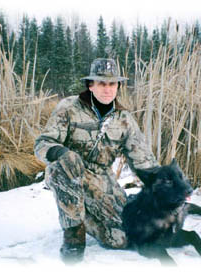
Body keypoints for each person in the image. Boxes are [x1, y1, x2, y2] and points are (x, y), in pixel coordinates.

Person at [34, 58, 159, 264]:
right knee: (60, 169)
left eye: (112, 84)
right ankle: (73, 234)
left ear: (118, 86)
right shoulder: (69, 107)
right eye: (102, 83)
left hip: (102, 178)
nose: (107, 89)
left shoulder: (124, 118)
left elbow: (143, 160)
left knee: (123, 239)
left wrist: (165, 184)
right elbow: (42, 144)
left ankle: (84, 218)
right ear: (91, 85)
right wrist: (61, 153)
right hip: (69, 170)